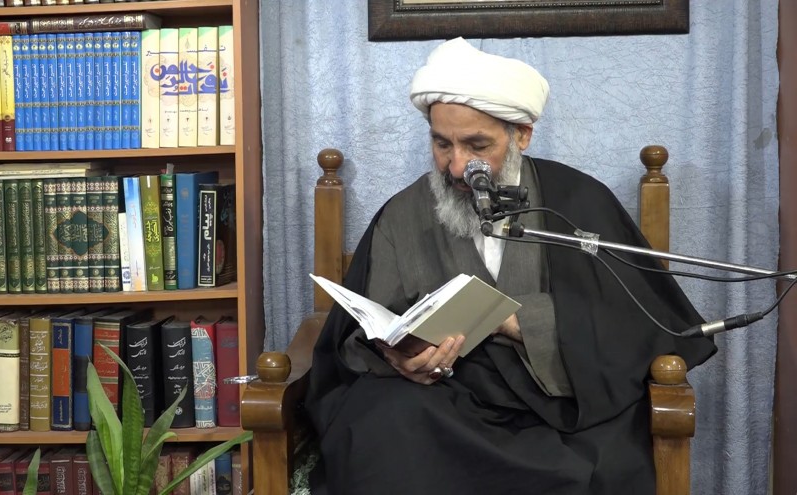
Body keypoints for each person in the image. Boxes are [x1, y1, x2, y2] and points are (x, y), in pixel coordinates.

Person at [304, 37, 717, 495]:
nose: (456, 166)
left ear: (521, 134)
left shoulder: (577, 202)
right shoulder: (403, 214)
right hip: (441, 401)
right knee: (379, 425)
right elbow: (357, 334)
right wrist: (395, 356)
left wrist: (516, 320)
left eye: (476, 144)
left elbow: (639, 328)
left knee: (608, 460)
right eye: (441, 143)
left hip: (561, 406)